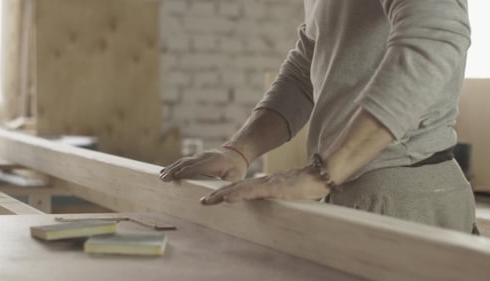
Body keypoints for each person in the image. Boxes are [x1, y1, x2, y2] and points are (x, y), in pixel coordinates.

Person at [160, 0, 478, 234]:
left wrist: (321, 174)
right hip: (349, 188)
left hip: (403, 196)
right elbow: (307, 66)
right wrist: (240, 150)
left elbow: (434, 39)